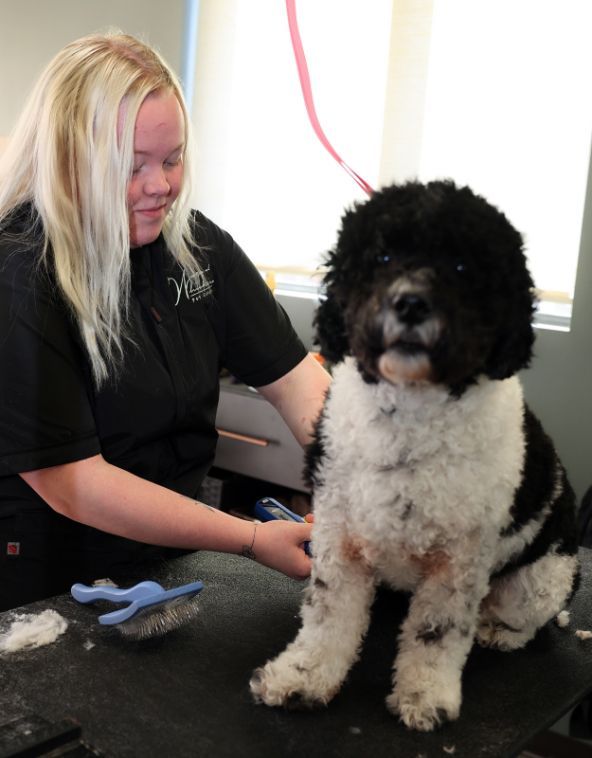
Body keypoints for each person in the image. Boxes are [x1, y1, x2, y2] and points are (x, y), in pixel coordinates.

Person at [0, 32, 330, 612]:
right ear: (68, 160)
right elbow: (76, 484)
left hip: (170, 558)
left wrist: (360, 483)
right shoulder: (21, 273)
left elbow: (299, 382)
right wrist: (250, 540)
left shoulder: (197, 249)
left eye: (172, 159)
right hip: (49, 584)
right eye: (132, 168)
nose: (160, 186)